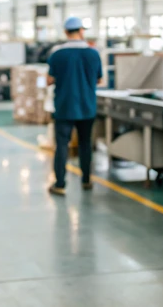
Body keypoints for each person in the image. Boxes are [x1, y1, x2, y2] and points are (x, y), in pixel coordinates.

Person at [46, 17, 102, 196]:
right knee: (85, 144)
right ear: (81, 31)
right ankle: (86, 180)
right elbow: (99, 79)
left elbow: (49, 79)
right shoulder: (93, 54)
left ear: (65, 32)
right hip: (87, 107)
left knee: (62, 145)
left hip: (64, 107)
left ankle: (60, 184)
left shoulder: (57, 54)